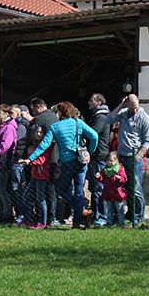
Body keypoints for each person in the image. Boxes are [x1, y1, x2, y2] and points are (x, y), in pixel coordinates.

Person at [28, 101, 98, 229]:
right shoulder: (78, 123)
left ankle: (79, 209)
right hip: (82, 161)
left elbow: (44, 145)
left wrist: (30, 158)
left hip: (67, 163)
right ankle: (78, 219)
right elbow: (94, 136)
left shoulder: (55, 127)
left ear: (60, 112)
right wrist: (90, 151)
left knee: (60, 188)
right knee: (79, 191)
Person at [105, 94, 149, 225]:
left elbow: (148, 140)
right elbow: (108, 119)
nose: (134, 110)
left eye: (135, 107)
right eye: (131, 107)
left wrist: (139, 154)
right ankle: (127, 215)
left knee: (136, 188)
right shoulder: (124, 113)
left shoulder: (144, 118)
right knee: (122, 187)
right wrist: (121, 105)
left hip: (134, 156)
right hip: (121, 156)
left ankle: (138, 218)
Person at [28, 98, 59, 225]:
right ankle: (51, 218)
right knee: (51, 191)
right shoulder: (54, 117)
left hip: (42, 159)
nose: (33, 112)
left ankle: (42, 218)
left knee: (40, 194)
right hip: (55, 157)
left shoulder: (41, 119)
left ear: (39, 106)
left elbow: (33, 136)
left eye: (33, 109)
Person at [18, 125, 53, 229]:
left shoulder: (47, 145)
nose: (38, 134)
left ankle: (43, 222)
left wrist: (28, 162)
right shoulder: (35, 144)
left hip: (42, 175)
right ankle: (28, 220)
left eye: (40, 132)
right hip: (35, 175)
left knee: (40, 198)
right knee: (26, 196)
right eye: (37, 132)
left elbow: (42, 160)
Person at [86, 93, 110, 226]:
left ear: (98, 102)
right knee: (94, 188)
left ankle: (100, 216)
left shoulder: (101, 117)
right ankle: (97, 215)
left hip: (99, 154)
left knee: (98, 188)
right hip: (96, 155)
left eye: (91, 100)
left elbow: (93, 132)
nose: (89, 102)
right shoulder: (97, 116)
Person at [95, 151, 128, 227]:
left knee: (120, 210)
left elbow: (125, 178)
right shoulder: (105, 170)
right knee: (109, 210)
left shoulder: (120, 169)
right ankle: (109, 223)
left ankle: (121, 223)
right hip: (108, 193)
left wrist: (119, 178)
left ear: (116, 160)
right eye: (107, 161)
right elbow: (102, 179)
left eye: (111, 160)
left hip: (118, 193)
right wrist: (99, 177)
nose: (109, 162)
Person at [9, 105, 29, 224]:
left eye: (12, 113)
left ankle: (22, 213)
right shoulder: (16, 125)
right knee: (15, 188)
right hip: (15, 160)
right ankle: (19, 213)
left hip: (19, 160)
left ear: (18, 113)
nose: (10, 115)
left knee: (18, 188)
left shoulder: (21, 126)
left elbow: (14, 140)